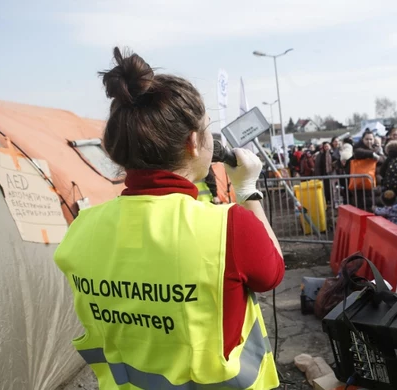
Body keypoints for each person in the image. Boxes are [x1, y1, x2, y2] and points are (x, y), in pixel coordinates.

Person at [54, 47, 283, 389]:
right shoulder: (229, 227)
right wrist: (248, 189)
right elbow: (273, 272)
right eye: (208, 130)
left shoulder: (80, 229)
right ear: (194, 142)